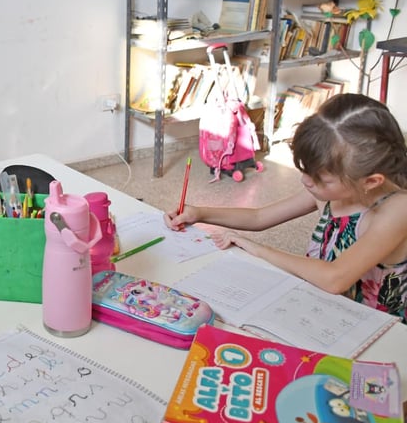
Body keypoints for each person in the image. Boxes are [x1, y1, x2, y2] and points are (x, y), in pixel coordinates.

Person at [165, 93, 407, 323]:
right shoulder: (333, 191)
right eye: (305, 171)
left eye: (320, 178)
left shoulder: (397, 209)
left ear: (371, 181)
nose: (305, 181)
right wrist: (200, 213)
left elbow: (335, 278)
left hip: (381, 329)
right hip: (325, 311)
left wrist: (258, 249)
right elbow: (259, 217)